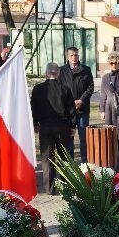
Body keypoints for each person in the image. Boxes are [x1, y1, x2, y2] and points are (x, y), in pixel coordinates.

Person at [31, 63, 76, 194]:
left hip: (45, 127)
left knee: (47, 158)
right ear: (58, 73)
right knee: (64, 157)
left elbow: (34, 108)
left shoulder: (37, 89)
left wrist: (35, 123)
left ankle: (49, 188)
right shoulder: (65, 89)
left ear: (46, 73)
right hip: (62, 126)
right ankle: (65, 185)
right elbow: (71, 110)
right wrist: (73, 126)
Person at [59, 46, 94, 163]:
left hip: (83, 110)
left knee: (84, 139)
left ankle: (85, 166)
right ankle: (71, 167)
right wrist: (70, 103)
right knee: (69, 140)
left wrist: (81, 100)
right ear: (67, 57)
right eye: (71, 55)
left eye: (76, 55)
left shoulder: (86, 70)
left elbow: (90, 88)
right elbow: (59, 89)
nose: (74, 57)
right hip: (68, 112)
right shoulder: (62, 71)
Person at [99, 51, 119, 172]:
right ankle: (110, 164)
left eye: (116, 62)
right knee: (109, 135)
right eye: (111, 63)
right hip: (108, 108)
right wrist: (102, 110)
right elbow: (103, 95)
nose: (114, 65)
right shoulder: (105, 78)